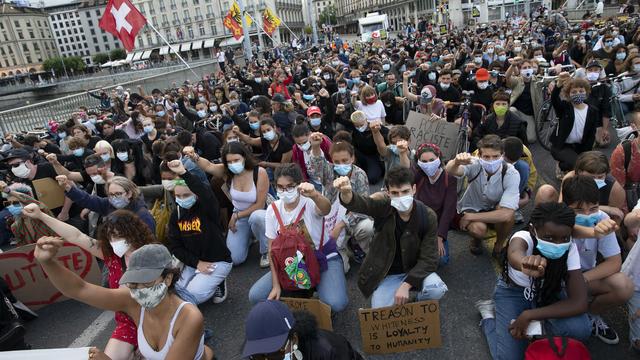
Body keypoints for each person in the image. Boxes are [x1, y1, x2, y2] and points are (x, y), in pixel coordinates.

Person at [34, 241, 213, 359]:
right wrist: (47, 262)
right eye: (133, 283)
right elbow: (80, 289)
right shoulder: (131, 300)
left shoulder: (189, 317)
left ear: (167, 279)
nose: (138, 290)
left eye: (146, 281)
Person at [22, 204, 157, 360]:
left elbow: (80, 289)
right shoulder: (112, 255)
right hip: (127, 323)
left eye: (120, 235)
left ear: (135, 233)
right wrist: (41, 215)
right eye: (110, 236)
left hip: (153, 323)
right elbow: (77, 236)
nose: (114, 241)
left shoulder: (151, 258)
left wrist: (48, 263)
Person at [477, 202, 592, 359]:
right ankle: (489, 317)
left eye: (564, 238)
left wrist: (529, 315)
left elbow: (579, 302)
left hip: (547, 294)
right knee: (510, 357)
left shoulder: (569, 248)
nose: (557, 244)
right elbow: (514, 253)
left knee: (581, 329)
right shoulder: (523, 237)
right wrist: (524, 263)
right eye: (549, 237)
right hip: (514, 293)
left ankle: (532, 331)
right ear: (533, 229)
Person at [337, 166, 447, 308]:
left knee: (437, 289)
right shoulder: (384, 207)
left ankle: (417, 304)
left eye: (405, 191)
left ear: (414, 189)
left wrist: (407, 285)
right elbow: (363, 204)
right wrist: (346, 193)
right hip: (389, 273)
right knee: (379, 309)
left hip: (416, 269)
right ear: (388, 193)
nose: (401, 197)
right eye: (395, 193)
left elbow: (429, 259)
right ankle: (400, 301)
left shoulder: (428, 215)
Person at [248, 164, 348, 313]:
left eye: (290, 186)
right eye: (280, 187)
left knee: (336, 303)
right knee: (256, 296)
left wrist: (314, 194)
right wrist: (276, 285)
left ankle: (315, 288)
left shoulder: (309, 202)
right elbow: (271, 251)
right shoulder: (273, 209)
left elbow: (325, 208)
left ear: (299, 185)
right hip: (292, 263)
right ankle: (303, 290)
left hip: (322, 258)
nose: (285, 191)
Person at [562, 175, 634, 345]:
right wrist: (593, 233)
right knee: (576, 331)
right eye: (579, 211)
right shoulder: (555, 217)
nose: (587, 215)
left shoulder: (602, 218)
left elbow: (614, 262)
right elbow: (571, 230)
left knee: (624, 286)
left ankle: (591, 314)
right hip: (556, 278)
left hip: (582, 277)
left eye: (593, 208)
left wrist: (582, 280)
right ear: (565, 206)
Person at [166, 160, 232, 305]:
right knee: (175, 289)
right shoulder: (176, 214)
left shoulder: (207, 207)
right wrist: (197, 263)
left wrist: (184, 173)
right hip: (194, 262)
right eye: (178, 196)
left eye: (186, 195)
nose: (182, 199)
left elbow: (205, 192)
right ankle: (206, 280)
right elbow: (176, 247)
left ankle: (219, 282)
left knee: (192, 296)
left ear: (196, 195)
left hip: (217, 260)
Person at [307, 135, 373, 273]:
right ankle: (341, 249)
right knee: (342, 269)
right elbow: (317, 165)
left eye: (345, 160)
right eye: (337, 161)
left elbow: (363, 206)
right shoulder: (329, 171)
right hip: (330, 220)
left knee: (367, 227)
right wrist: (315, 146)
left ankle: (360, 246)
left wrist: (342, 224)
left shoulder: (360, 175)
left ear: (352, 158)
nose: (341, 165)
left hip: (351, 220)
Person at [446, 134, 520, 257]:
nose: (491, 161)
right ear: (479, 156)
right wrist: (456, 162)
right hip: (472, 207)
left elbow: (506, 214)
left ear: (502, 155)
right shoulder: (475, 164)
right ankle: (476, 240)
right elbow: (450, 170)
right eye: (486, 157)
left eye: (495, 156)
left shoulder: (511, 173)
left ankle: (499, 245)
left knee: (510, 216)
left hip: (492, 209)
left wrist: (470, 217)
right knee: (478, 229)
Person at [242, 300, 364, 360]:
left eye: (275, 354)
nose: (267, 359)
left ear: (294, 338)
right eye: (259, 357)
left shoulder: (330, 350)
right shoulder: (252, 355)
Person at [413, 144, 457, 266]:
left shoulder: (450, 179)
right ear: (419, 162)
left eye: (432, 160)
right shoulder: (419, 175)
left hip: (437, 226)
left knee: (441, 260)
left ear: (439, 158)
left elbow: (448, 210)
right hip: (419, 222)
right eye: (424, 161)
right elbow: (405, 181)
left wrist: (440, 237)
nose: (428, 164)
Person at [550, 74, 599, 173]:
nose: (578, 94)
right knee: (577, 165)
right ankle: (565, 167)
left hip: (580, 147)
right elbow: (554, 99)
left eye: (581, 91)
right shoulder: (564, 108)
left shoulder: (592, 111)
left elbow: (591, 134)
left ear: (586, 93)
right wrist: (558, 85)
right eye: (574, 92)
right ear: (568, 95)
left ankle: (565, 166)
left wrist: (587, 154)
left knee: (590, 165)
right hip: (562, 146)